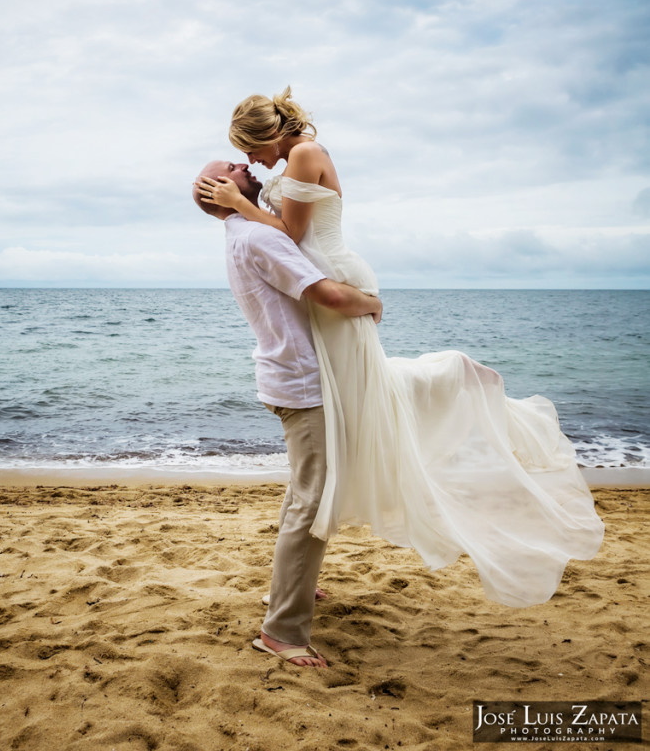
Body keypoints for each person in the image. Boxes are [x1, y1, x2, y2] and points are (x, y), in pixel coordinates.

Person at [196, 87, 605, 609]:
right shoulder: (289, 161)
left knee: (361, 396)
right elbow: (285, 237)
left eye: (250, 149)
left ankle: (454, 373)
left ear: (268, 134)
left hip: (332, 275)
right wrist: (241, 206)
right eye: (244, 157)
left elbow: (292, 233)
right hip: (320, 277)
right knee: (352, 401)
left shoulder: (301, 152)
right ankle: (296, 577)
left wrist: (237, 205)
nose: (252, 160)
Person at [193, 159, 382, 667]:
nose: (240, 163)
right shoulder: (258, 238)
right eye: (227, 168)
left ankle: (291, 586)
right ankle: (282, 632)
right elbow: (325, 292)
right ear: (221, 191)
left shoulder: (243, 233)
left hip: (286, 376)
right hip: (301, 383)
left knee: (304, 491)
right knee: (312, 500)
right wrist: (370, 303)